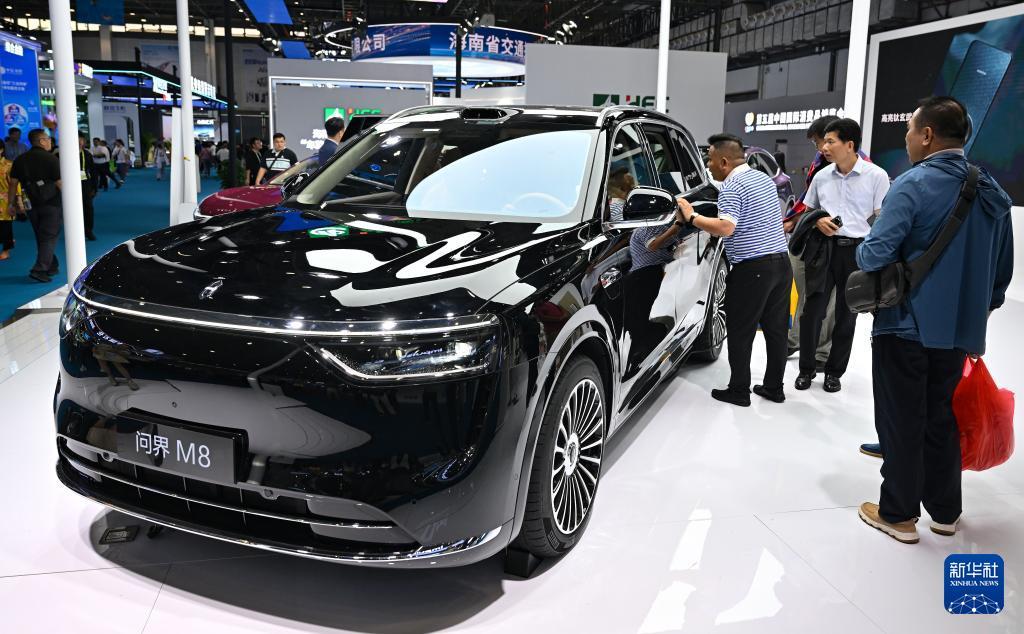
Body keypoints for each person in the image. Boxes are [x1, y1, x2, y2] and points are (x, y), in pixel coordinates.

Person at [855, 96, 1013, 544]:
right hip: (959, 333)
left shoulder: (912, 184)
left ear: (926, 135)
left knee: (901, 420)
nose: (906, 138)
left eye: (909, 130)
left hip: (905, 325)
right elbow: (1000, 276)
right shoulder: (992, 191)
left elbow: (874, 255)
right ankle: (945, 513)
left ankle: (899, 514)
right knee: (941, 417)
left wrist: (867, 241)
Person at [678, 133, 792, 406]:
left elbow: (726, 227)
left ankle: (739, 391)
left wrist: (692, 217)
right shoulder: (762, 179)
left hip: (752, 269)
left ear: (724, 161)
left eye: (710, 160)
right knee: (777, 331)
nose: (707, 166)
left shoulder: (732, 186)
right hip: (781, 263)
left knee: (741, 331)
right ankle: (774, 388)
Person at [794, 118, 890, 393]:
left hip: (857, 252)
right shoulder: (822, 176)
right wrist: (817, 220)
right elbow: (808, 211)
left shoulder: (876, 176)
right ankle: (806, 369)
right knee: (812, 312)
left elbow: (883, 219)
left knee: (847, 316)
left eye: (830, 141)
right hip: (823, 249)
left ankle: (834, 373)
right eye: (824, 142)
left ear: (849, 145)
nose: (823, 147)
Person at [8, 129, 62, 282]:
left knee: (41, 235)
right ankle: (39, 269)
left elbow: (13, 184)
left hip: (30, 203)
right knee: (49, 236)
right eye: (48, 139)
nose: (50, 141)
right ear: (41, 141)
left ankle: (51, 265)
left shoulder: (20, 159)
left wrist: (11, 203)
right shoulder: (51, 159)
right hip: (51, 202)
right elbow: (60, 183)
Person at [0, 142, 25, 260]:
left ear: (1, 150)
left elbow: (15, 184)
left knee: (5, 226)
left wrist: (18, 200)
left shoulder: (8, 165)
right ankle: (8, 241)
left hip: (5, 200)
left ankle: (6, 250)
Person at [78, 133, 97, 241]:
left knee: (88, 208)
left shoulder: (87, 154)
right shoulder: (64, 154)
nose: (80, 142)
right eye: (78, 139)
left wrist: (94, 187)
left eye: (82, 140)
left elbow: (93, 171)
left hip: (85, 184)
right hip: (70, 186)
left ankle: (88, 230)